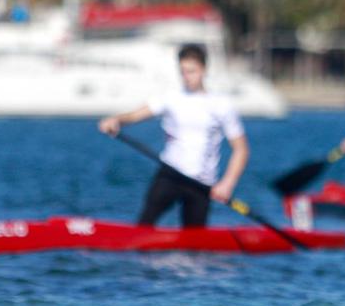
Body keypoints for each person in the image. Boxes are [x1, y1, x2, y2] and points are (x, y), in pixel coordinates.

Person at [98, 43, 247, 228]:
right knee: (145, 225)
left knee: (195, 245)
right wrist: (116, 120)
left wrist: (227, 184)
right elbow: (135, 115)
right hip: (170, 174)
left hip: (201, 183)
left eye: (192, 71)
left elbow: (241, 149)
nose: (187, 77)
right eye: (183, 71)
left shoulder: (221, 105)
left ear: (204, 70)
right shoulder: (170, 98)